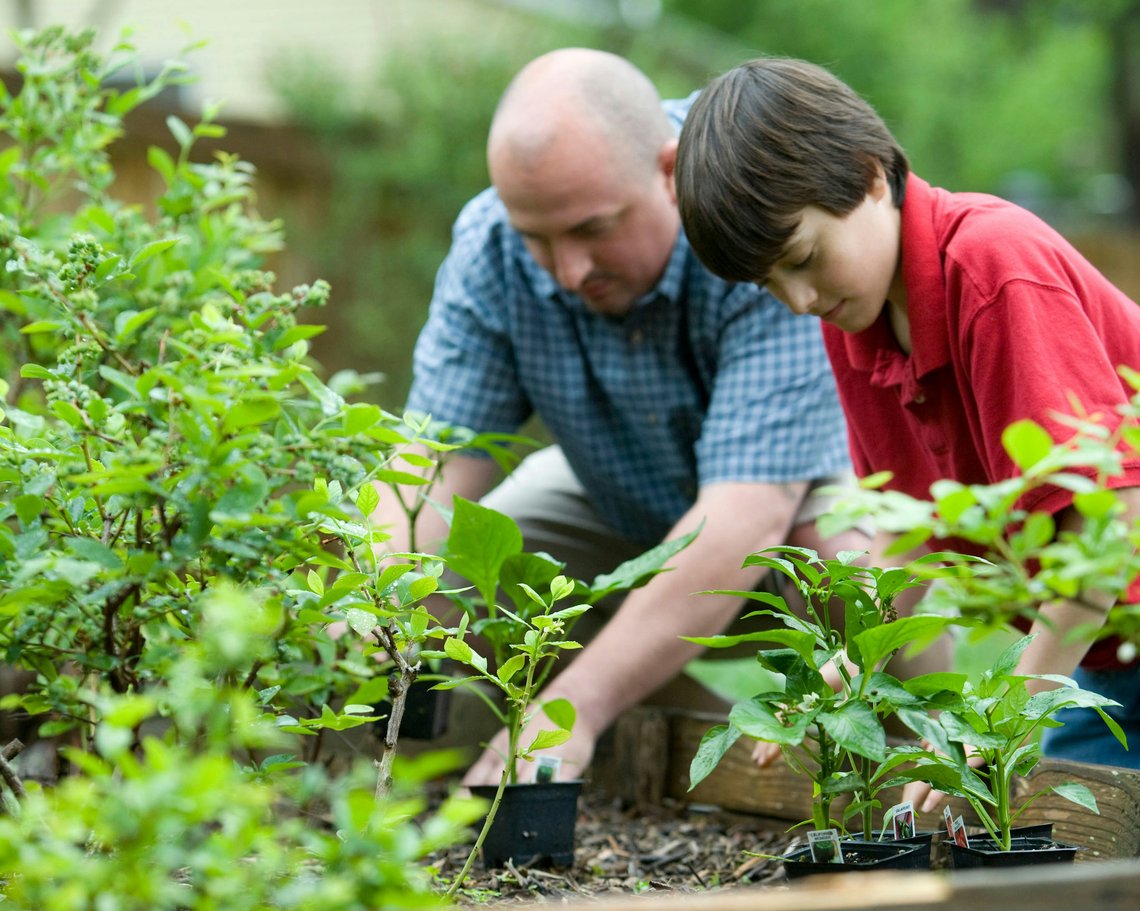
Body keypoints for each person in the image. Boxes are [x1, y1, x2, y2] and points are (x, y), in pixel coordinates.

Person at [376, 48, 869, 788]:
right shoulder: (490, 246)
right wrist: (374, 595)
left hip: (792, 497)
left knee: (856, 569)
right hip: (614, 497)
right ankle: (683, 753)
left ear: (669, 172)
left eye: (592, 229)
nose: (568, 270)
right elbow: (431, 467)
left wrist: (571, 704)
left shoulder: (749, 209)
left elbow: (746, 518)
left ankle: (896, 766)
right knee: (460, 565)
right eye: (537, 238)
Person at [673, 56, 1140, 788]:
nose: (797, 300)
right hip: (1108, 655)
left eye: (802, 258)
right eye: (769, 284)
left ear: (870, 175)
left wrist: (1002, 721)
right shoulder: (854, 319)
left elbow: (1108, 522)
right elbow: (907, 524)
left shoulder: (992, 268)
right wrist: (841, 672)